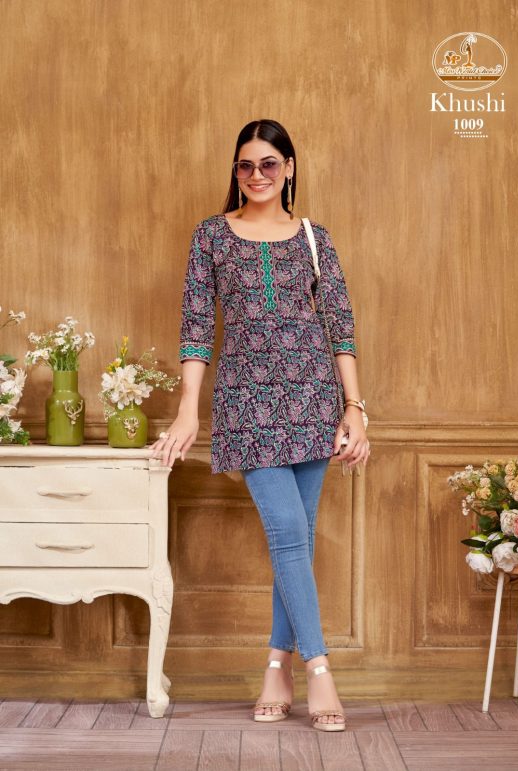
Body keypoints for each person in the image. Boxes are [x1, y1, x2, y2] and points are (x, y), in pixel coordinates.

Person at [150, 119, 370, 732]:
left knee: (293, 540)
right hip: (246, 404)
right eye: (245, 165)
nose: (257, 175)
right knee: (290, 535)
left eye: (269, 164)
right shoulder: (211, 236)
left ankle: (276, 667)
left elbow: (340, 327)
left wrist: (355, 409)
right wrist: (189, 408)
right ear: (236, 171)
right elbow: (197, 326)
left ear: (289, 168)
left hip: (313, 402)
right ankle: (319, 669)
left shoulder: (315, 239)